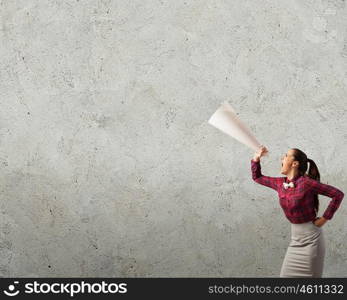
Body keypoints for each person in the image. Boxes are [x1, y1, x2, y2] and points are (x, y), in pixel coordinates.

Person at [251, 146, 344, 277]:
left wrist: (324, 219)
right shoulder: (279, 183)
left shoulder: (306, 183)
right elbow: (257, 177)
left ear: (295, 164)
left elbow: (337, 194)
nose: (282, 158)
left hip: (312, 241)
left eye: (286, 156)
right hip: (295, 240)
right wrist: (256, 158)